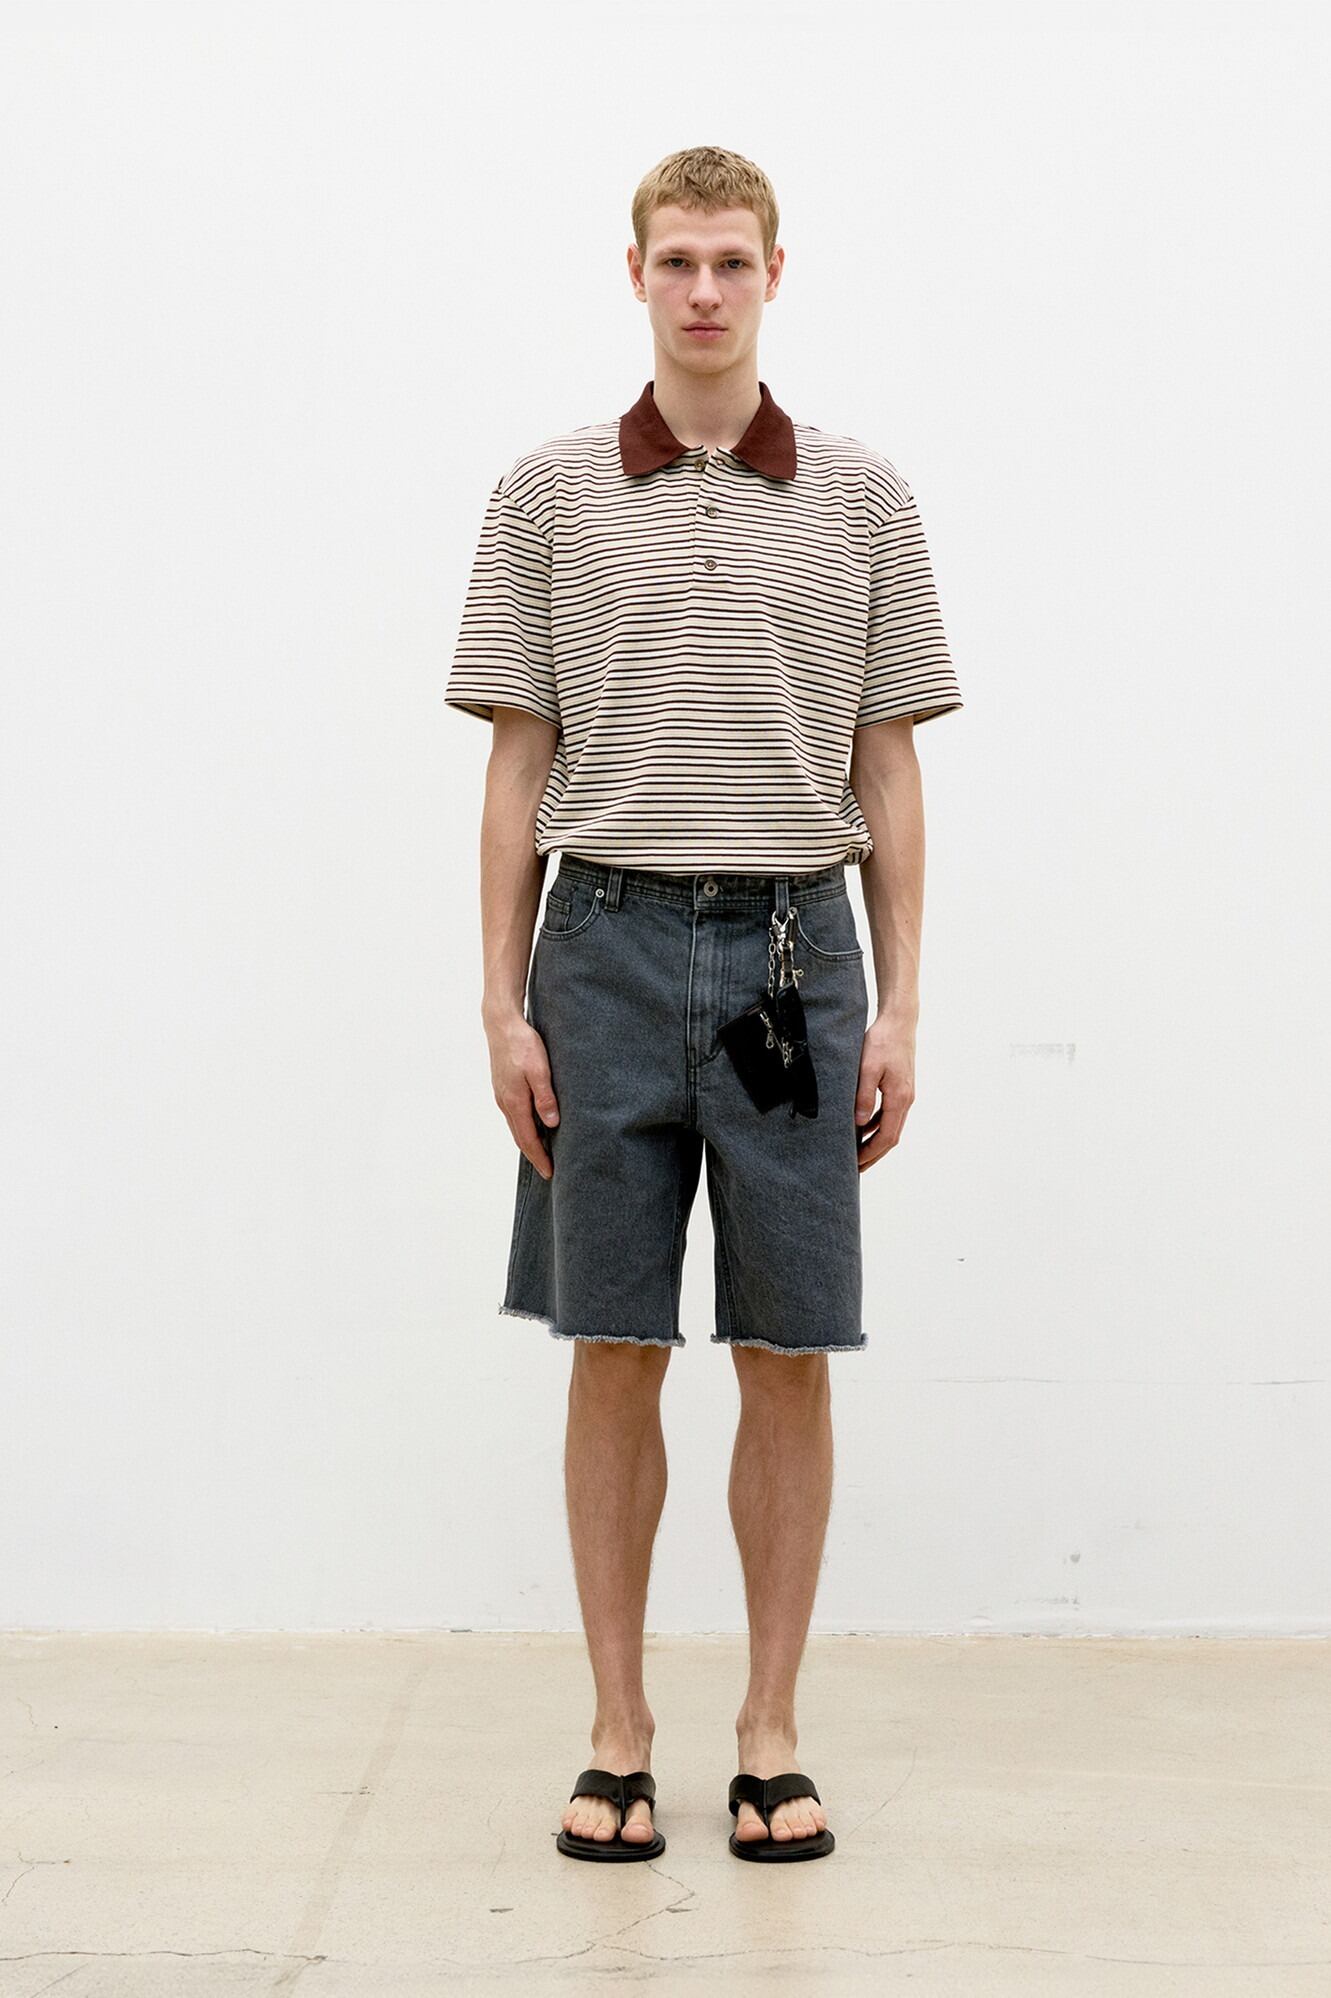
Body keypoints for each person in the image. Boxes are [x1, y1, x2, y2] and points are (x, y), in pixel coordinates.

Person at [445, 146, 963, 1864]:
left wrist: (904, 1004)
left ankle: (769, 1730)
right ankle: (617, 1732)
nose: (705, 290)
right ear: (636, 273)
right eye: (677, 260)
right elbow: (516, 769)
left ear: (775, 272)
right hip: (597, 952)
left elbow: (889, 770)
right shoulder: (546, 495)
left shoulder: (867, 499)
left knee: (788, 1347)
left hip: (797, 961)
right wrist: (501, 1004)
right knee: (612, 1341)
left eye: (732, 260)